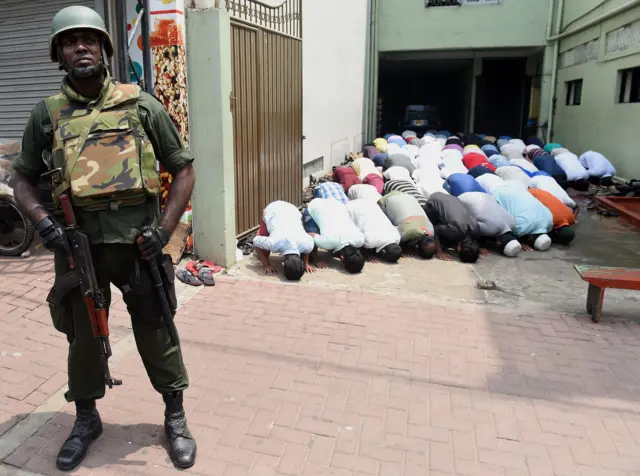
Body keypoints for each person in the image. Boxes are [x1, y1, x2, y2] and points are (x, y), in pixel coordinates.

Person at [10, 6, 197, 470]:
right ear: (59, 54)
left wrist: (164, 230)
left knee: (157, 331)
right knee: (84, 340)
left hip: (140, 246)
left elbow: (184, 168)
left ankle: (175, 417)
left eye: (88, 40)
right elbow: (22, 180)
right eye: (70, 42)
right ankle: (87, 417)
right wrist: (43, 223)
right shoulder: (47, 114)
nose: (81, 47)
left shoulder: (141, 104)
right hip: (79, 251)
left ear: (104, 49)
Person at [253, 201, 316, 279]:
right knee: (264, 253)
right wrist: (266, 265)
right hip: (272, 210)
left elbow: (307, 249)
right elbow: (255, 241)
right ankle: (263, 221)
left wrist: (306, 263)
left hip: (292, 210)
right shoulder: (274, 243)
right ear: (283, 263)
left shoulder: (308, 244)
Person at [304, 198, 366, 273]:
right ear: (342, 258)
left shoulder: (360, 240)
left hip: (336, 203)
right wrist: (314, 260)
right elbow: (309, 235)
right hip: (314, 207)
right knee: (313, 232)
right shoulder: (329, 242)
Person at [491, 181, 553, 251]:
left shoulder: (549, 220)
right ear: (530, 238)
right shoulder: (520, 227)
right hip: (497, 193)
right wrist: (520, 242)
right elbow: (505, 231)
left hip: (515, 188)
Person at [458, 192, 522, 257]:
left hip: (484, 195)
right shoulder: (491, 230)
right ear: (498, 243)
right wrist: (475, 248)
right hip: (463, 199)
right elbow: (469, 227)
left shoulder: (513, 224)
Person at [424, 192, 482, 262]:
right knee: (434, 230)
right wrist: (439, 251)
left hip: (451, 198)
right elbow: (436, 229)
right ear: (458, 248)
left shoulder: (476, 229)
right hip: (433, 201)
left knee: (449, 235)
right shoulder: (455, 230)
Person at [378, 191, 436, 259]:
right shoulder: (405, 233)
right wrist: (402, 248)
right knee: (384, 221)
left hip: (408, 196)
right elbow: (392, 235)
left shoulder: (431, 231)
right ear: (417, 248)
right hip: (385, 199)